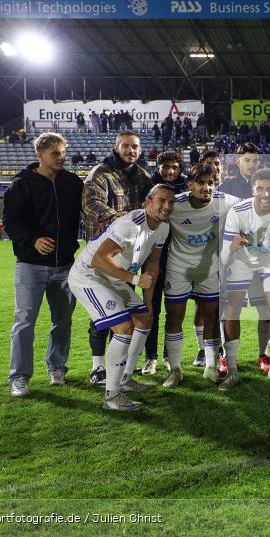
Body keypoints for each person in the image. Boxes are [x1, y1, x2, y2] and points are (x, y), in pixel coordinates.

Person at [68, 184, 174, 410]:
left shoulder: (163, 228)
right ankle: (112, 396)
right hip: (89, 275)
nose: (166, 206)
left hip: (113, 277)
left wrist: (147, 303)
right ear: (148, 202)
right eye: (161, 201)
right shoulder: (130, 225)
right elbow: (98, 259)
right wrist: (134, 280)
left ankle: (125, 378)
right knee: (123, 327)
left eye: (171, 202)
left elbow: (153, 264)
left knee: (144, 319)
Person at [3, 132, 83, 397]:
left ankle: (57, 368)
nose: (62, 158)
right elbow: (10, 223)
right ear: (40, 156)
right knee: (24, 322)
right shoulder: (22, 184)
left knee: (63, 321)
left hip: (65, 265)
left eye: (63, 152)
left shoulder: (73, 183)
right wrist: (33, 240)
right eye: (55, 154)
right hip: (30, 265)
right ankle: (19, 377)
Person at [81, 131, 153, 387]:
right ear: (116, 147)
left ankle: (117, 370)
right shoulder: (101, 172)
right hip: (103, 254)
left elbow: (156, 200)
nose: (130, 151)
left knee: (123, 314)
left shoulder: (142, 175)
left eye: (135, 147)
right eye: (126, 146)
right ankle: (97, 368)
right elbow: (91, 203)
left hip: (128, 257)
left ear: (140, 150)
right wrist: (120, 221)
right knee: (102, 314)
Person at [221, 169, 270, 388]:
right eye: (260, 188)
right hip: (241, 263)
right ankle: (232, 370)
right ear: (252, 189)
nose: (265, 194)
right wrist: (231, 248)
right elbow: (225, 256)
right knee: (232, 309)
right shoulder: (238, 211)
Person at [164, 163, 240, 389]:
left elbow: (251, 205)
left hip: (209, 269)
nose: (206, 187)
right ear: (190, 185)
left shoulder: (224, 200)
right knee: (174, 317)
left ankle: (210, 366)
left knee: (211, 316)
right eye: (201, 183)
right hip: (178, 268)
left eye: (211, 183)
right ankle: (175, 369)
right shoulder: (175, 204)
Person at [141, 150, 188, 375]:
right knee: (152, 308)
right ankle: (151, 357)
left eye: (175, 167)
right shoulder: (148, 187)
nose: (170, 171)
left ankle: (170, 355)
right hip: (151, 258)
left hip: (177, 259)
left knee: (174, 309)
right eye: (166, 166)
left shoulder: (187, 190)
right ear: (157, 167)